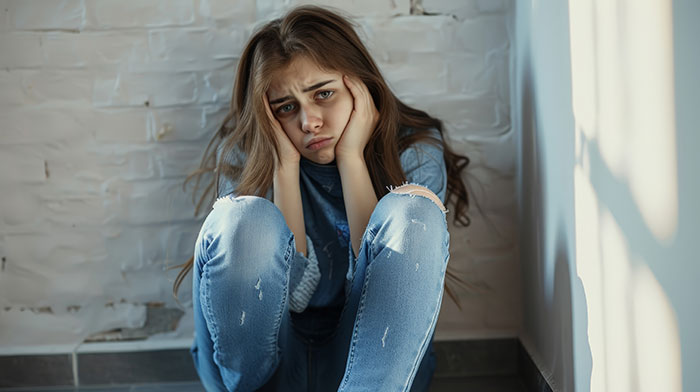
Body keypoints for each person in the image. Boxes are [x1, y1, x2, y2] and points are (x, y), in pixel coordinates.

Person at [172, 5, 472, 391]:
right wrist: (282, 168)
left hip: (367, 364)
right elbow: (293, 295)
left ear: (360, 86)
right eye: (286, 107)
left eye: (324, 93)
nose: (308, 121)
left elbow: (375, 299)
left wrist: (351, 159)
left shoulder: (415, 152)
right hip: (261, 370)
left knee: (412, 212)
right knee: (243, 220)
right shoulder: (246, 155)